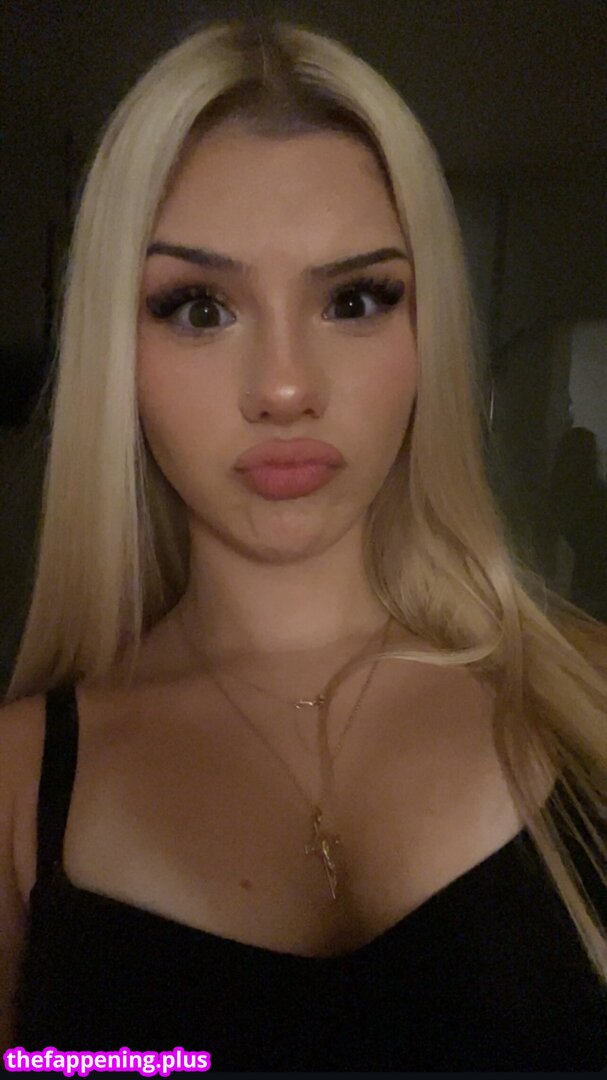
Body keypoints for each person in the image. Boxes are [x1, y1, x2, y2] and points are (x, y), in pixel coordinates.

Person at [1, 12, 606, 1073]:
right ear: (116, 354)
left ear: (425, 333)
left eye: (354, 299)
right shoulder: (14, 786)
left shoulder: (589, 703)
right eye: (199, 308)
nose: (284, 387)